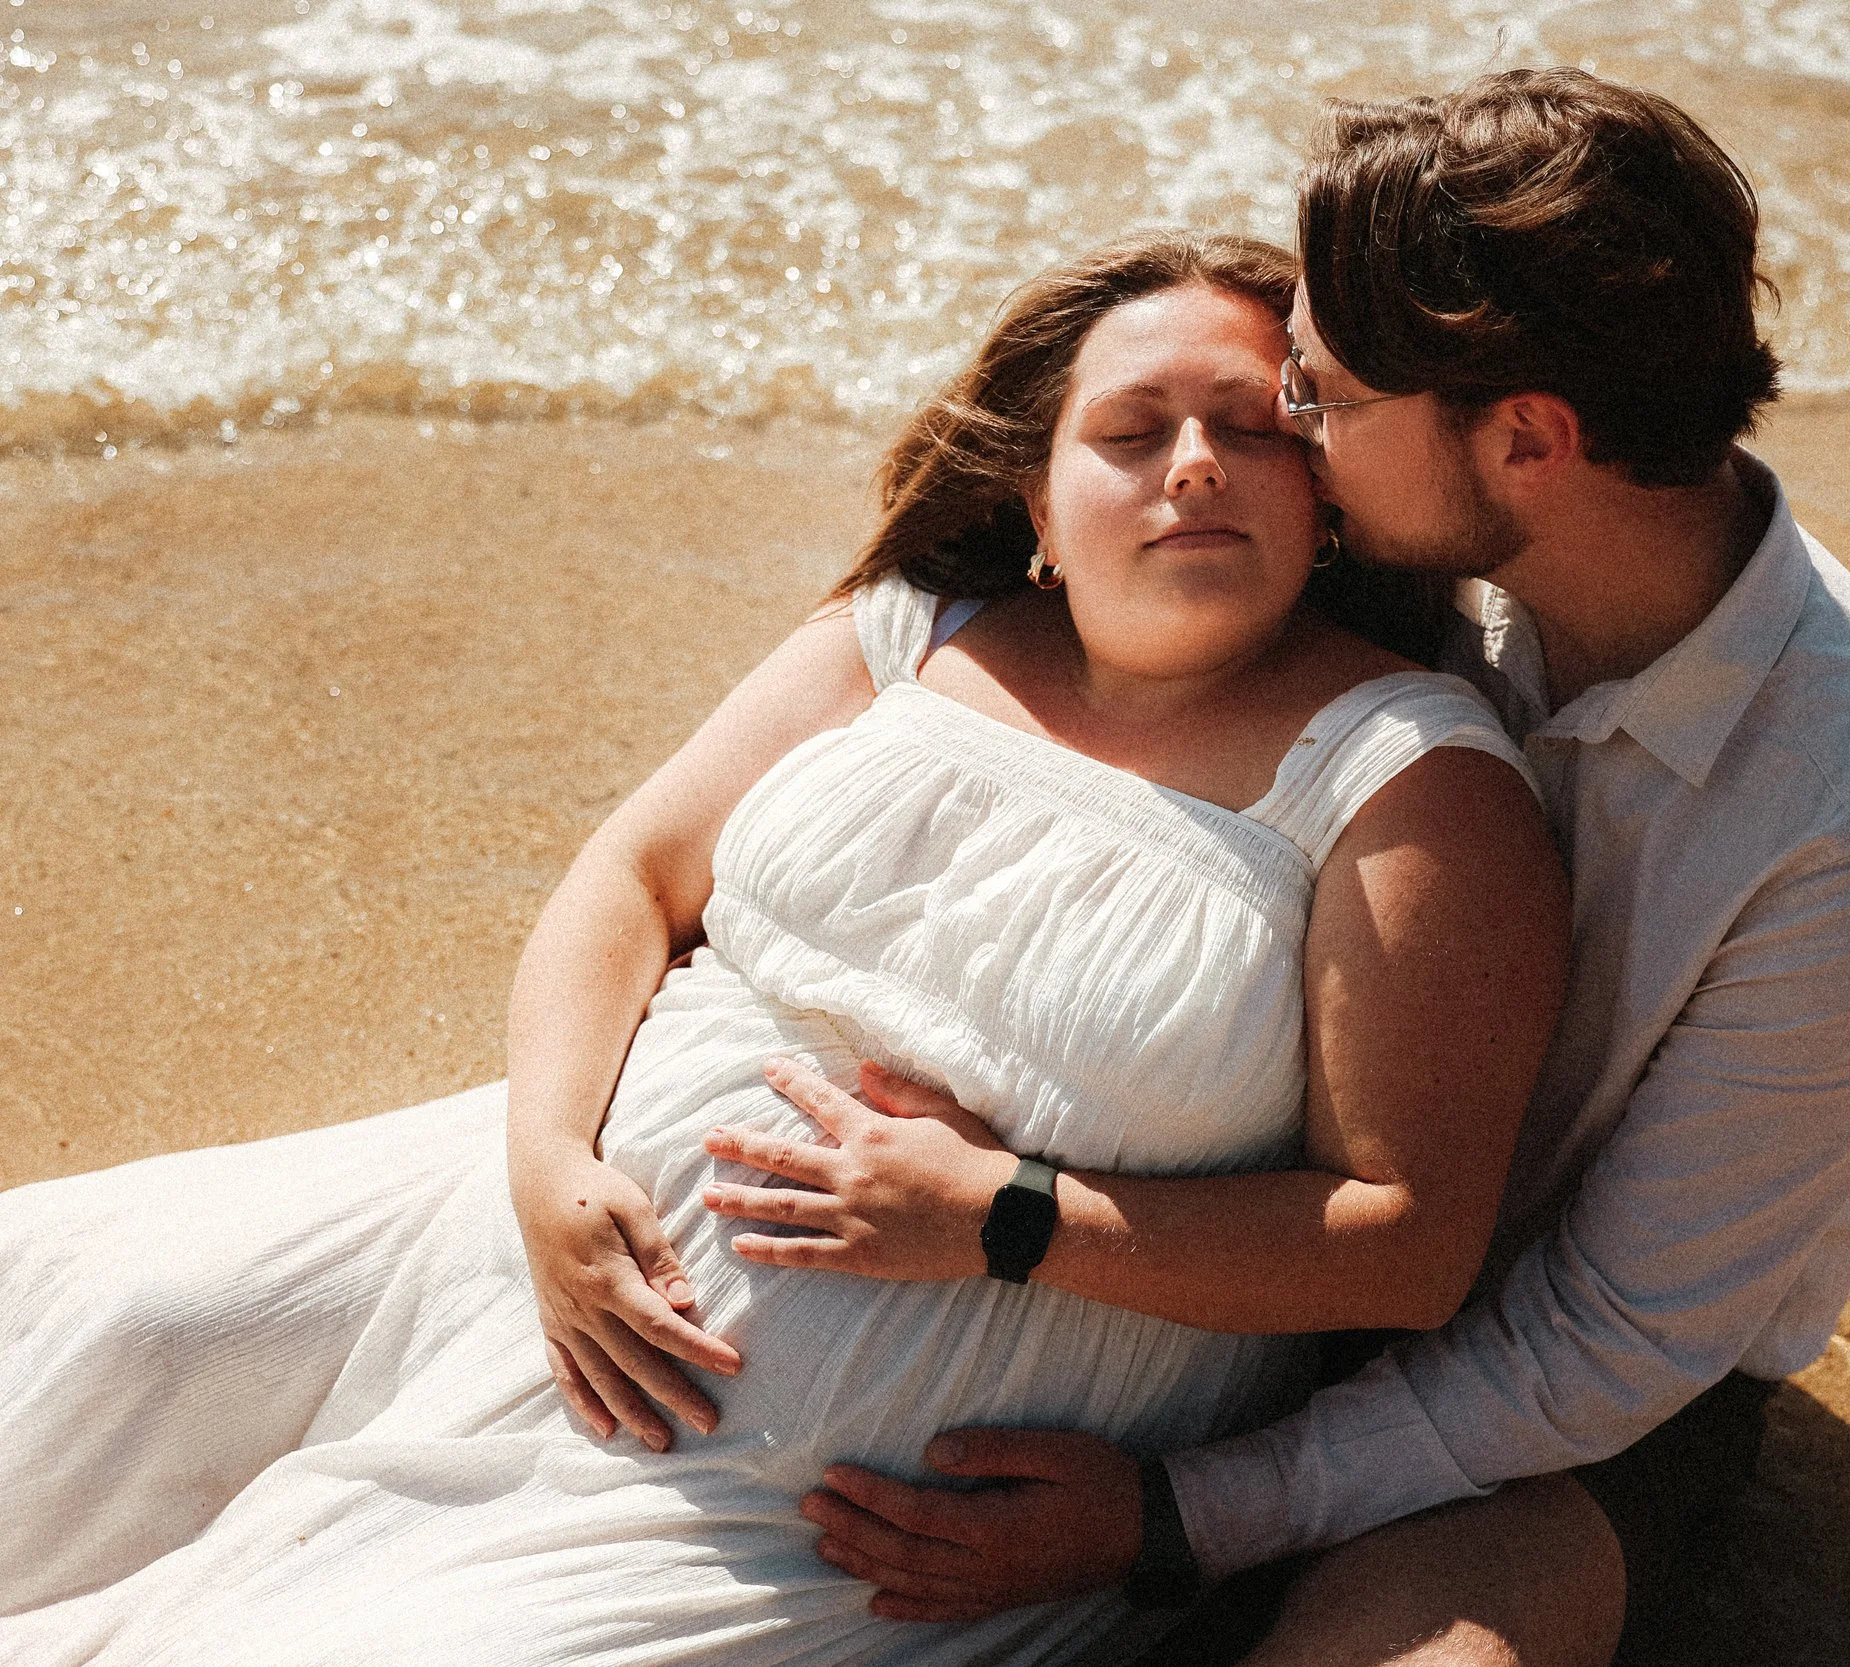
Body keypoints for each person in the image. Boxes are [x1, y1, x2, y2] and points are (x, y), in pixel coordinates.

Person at [0, 232, 1570, 1666]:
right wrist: (548, 1163)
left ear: (1327, 493)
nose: (1195, 467)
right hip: (522, 1247)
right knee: (84, 1311)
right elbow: (629, 873)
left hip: (820, 1498)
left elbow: (1409, 1239)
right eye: (1132, 429)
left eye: (1252, 428)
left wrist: (1013, 1216)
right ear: (1037, 496)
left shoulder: (1405, 777)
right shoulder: (919, 632)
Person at [775, 69, 1850, 1667]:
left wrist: (1173, 1512)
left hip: (1549, 1397)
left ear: (1530, 438)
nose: (1285, 424)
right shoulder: (1436, 558)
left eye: (1328, 397)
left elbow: (1608, 1339)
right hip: (1228, 1234)